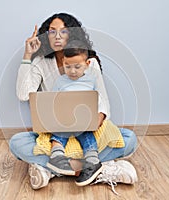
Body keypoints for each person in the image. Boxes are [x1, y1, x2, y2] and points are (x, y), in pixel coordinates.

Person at [9, 12, 138, 190]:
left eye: (63, 31)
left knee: (129, 139)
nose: (57, 37)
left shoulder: (89, 63)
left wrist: (96, 120)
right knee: (17, 143)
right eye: (52, 31)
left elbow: (103, 102)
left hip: (87, 131)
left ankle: (54, 170)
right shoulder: (40, 62)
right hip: (55, 136)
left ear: (73, 35)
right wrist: (27, 55)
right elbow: (24, 95)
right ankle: (97, 168)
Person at [47, 40, 103, 186]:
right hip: (64, 120)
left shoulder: (91, 80)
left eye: (77, 67)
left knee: (87, 135)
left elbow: (98, 101)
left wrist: (97, 117)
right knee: (58, 132)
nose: (72, 71)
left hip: (84, 121)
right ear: (63, 63)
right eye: (67, 66)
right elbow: (52, 101)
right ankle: (57, 157)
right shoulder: (60, 81)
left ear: (87, 64)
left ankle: (92, 161)